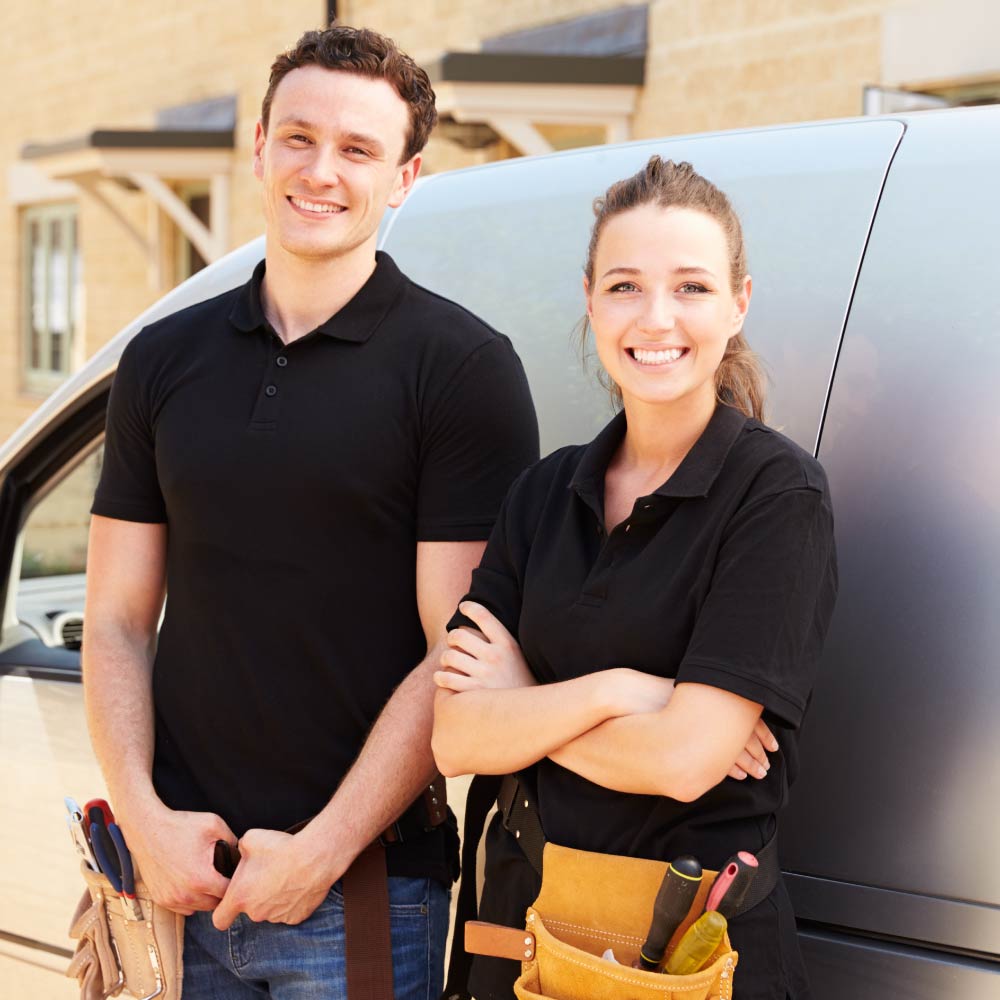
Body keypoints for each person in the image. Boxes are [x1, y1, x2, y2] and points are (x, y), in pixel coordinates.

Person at [82, 23, 539, 1000]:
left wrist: (322, 849)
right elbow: (118, 618)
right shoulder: (160, 362)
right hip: (181, 888)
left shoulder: (459, 372)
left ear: (405, 177)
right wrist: (145, 821)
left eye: (358, 148)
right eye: (298, 136)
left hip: (364, 896)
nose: (319, 170)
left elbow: (454, 652)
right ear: (257, 145)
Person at [432, 157, 837, 1000]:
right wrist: (622, 690)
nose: (657, 318)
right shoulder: (543, 491)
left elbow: (687, 761)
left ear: (739, 303)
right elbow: (456, 740)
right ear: (590, 301)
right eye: (625, 286)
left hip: (688, 963)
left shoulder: (776, 496)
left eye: (691, 286)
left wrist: (527, 698)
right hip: (520, 949)